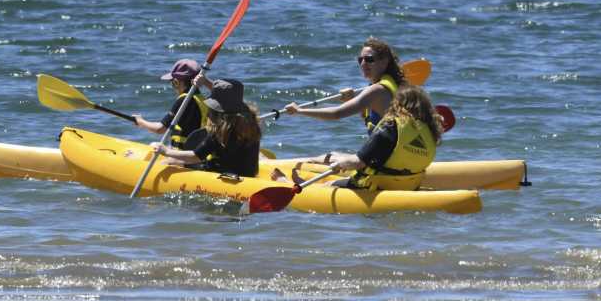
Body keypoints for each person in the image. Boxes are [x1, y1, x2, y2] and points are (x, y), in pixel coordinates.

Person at [279, 38, 408, 164]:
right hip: (394, 156)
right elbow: (373, 119)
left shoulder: (377, 90)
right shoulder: (395, 86)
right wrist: (354, 99)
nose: (363, 64)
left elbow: (336, 114)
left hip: (385, 161)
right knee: (333, 156)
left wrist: (299, 110)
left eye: (369, 59)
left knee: (325, 158)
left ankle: (277, 166)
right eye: (360, 60)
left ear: (384, 62)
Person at [301, 85, 444, 191]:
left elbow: (358, 162)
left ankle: (285, 180)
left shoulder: (392, 125)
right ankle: (313, 161)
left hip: (377, 185)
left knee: (327, 185)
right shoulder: (430, 130)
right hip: (408, 185)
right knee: (337, 157)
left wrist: (341, 165)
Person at [150, 76, 262, 177]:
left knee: (169, 162)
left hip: (225, 176)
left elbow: (195, 156)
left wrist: (165, 151)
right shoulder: (251, 123)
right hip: (249, 175)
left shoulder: (220, 130)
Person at [132, 59, 208, 150]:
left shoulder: (184, 100)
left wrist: (140, 122)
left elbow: (160, 129)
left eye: (172, 83)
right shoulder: (203, 99)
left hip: (182, 156)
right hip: (196, 153)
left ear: (176, 82)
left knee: (153, 145)